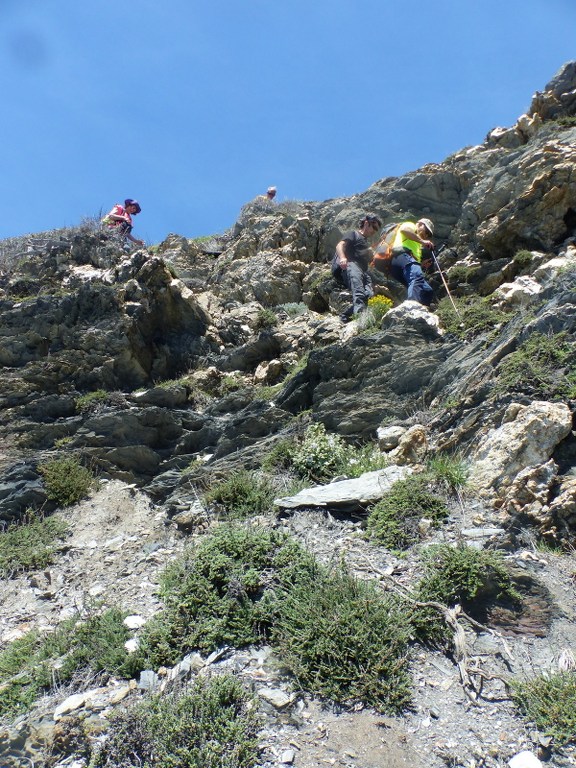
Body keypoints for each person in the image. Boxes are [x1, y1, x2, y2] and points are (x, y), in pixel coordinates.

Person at [332, 214, 381, 322]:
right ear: (367, 223)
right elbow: (339, 245)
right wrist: (342, 258)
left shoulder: (365, 242)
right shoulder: (354, 234)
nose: (375, 231)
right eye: (374, 227)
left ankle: (345, 317)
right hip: (352, 265)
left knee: (369, 295)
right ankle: (360, 321)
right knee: (358, 292)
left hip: (363, 271)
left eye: (377, 229)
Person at [389, 218, 435, 307]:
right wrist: (422, 241)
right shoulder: (411, 225)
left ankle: (422, 311)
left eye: (428, 235)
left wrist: (421, 265)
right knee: (416, 275)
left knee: (427, 290)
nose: (426, 235)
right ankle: (411, 308)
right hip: (401, 255)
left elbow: (412, 268)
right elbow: (404, 230)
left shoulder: (417, 244)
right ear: (420, 224)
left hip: (405, 263)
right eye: (427, 231)